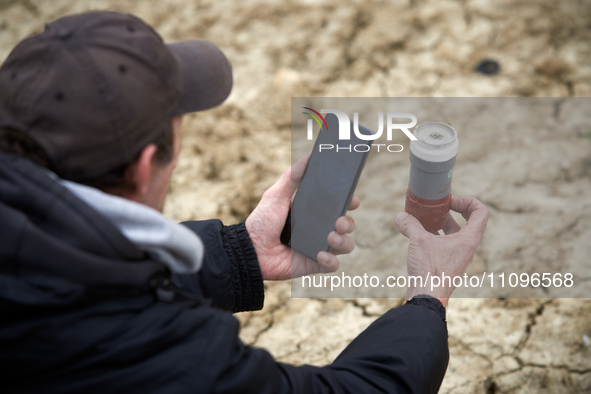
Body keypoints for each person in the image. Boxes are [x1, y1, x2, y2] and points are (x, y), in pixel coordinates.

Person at [0, 10, 489, 393]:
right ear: (145, 167)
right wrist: (428, 297)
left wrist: (238, 253)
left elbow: (63, 278)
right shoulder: (161, 354)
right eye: (179, 117)